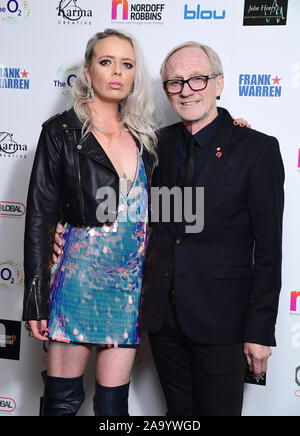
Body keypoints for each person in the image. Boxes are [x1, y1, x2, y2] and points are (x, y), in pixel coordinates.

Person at [138, 41, 284, 416]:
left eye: (198, 79)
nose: (186, 90)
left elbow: (269, 250)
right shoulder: (155, 145)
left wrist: (259, 331)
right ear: (166, 91)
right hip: (164, 321)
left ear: (218, 84)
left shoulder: (257, 149)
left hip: (224, 322)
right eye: (175, 82)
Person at [22, 28, 158, 416]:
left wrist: (232, 127)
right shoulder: (61, 132)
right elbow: (39, 217)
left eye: (127, 64)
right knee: (63, 402)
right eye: (106, 61)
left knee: (114, 408)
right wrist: (35, 300)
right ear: (87, 71)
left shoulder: (145, 139)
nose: (117, 71)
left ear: (134, 76)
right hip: (78, 281)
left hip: (128, 288)